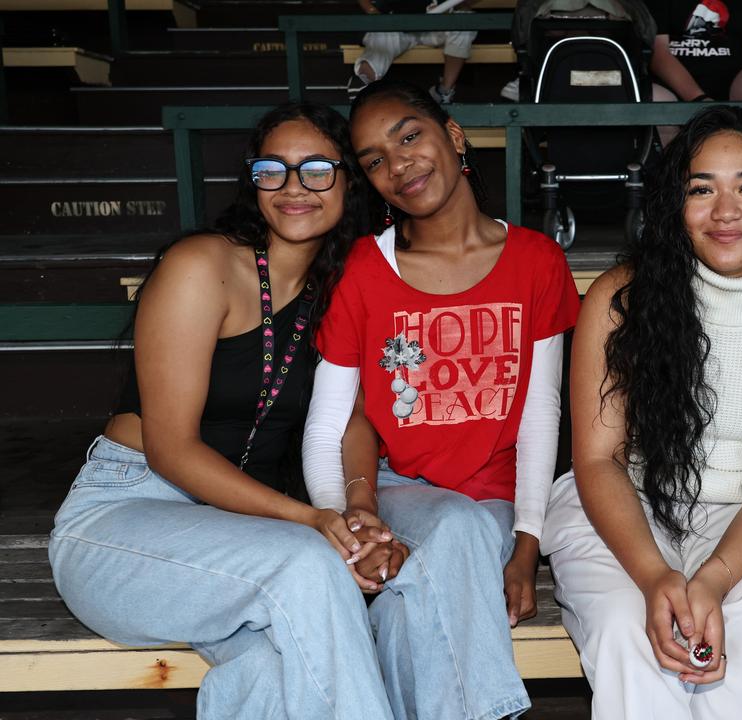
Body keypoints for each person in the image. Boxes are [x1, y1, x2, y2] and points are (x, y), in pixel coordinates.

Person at [47, 103, 394, 719]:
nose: (294, 188)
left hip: (235, 535)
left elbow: (349, 422)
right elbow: (171, 449)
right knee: (310, 565)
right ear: (251, 180)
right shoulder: (202, 267)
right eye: (273, 170)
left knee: (270, 667)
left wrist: (357, 510)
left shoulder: (341, 286)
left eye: (317, 169)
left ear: (349, 181)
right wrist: (310, 520)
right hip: (123, 519)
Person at [542, 105, 742, 719]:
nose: (726, 211)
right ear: (673, 204)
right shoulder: (620, 297)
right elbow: (598, 458)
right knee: (631, 630)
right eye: (701, 189)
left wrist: (712, 578)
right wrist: (657, 576)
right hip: (622, 502)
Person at [301, 78, 580, 720]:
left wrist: (527, 542)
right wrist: (352, 525)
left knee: (409, 606)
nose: (398, 165)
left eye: (409, 136)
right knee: (444, 537)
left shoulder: (537, 260)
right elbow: (329, 426)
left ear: (453, 138)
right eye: (373, 159)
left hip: (497, 504)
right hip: (397, 492)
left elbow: (541, 416)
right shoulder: (361, 272)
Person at [349, 0, 477, 104]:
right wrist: (373, 13)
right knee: (381, 35)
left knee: (464, 20)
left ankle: (443, 92)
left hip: (436, 23)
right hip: (394, 23)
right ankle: (363, 81)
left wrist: (456, 6)